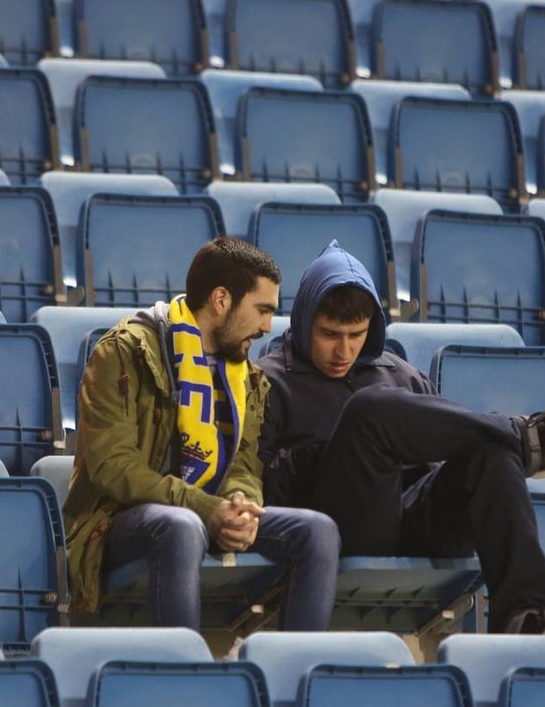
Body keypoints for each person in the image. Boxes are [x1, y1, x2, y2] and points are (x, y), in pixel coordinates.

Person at [257, 242, 545, 637]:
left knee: (489, 453)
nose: (344, 350)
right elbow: (262, 492)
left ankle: (525, 617)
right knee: (369, 410)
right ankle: (531, 437)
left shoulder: (401, 374)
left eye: (357, 334)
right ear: (303, 323)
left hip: (417, 525)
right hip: (339, 532)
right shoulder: (268, 382)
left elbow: (444, 461)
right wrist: (335, 451)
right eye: (330, 335)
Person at [64, 237, 340, 631]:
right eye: (262, 310)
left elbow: (246, 462)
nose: (267, 327)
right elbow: (113, 468)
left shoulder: (247, 376)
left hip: (209, 511)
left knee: (317, 531)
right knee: (182, 525)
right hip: (115, 521)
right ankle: (185, 674)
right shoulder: (124, 351)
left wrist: (240, 505)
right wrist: (206, 510)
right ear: (222, 299)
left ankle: (299, 672)